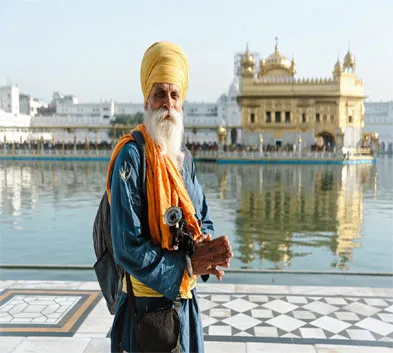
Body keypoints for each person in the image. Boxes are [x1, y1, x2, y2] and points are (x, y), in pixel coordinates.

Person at [106, 41, 233, 353]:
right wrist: (186, 266)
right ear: (147, 101)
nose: (167, 103)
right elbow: (126, 246)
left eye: (174, 95)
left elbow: (203, 217)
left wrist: (205, 248)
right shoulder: (131, 157)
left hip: (183, 307)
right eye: (159, 94)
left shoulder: (182, 158)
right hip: (145, 312)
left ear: (182, 103)